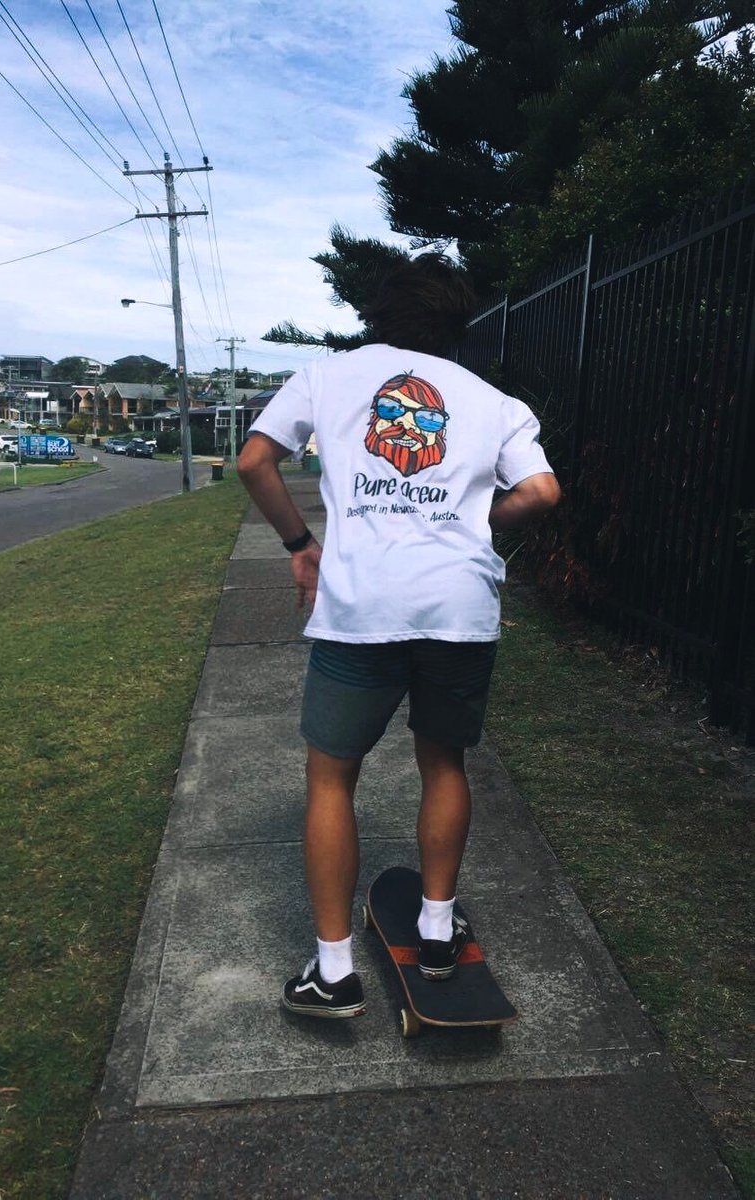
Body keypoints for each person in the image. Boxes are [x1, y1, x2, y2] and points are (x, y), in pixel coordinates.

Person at [237, 253, 561, 1019]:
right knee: (443, 762)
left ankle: (333, 974)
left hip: (362, 611)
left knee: (330, 779)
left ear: (377, 314)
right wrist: (482, 521)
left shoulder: (326, 376)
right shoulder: (494, 401)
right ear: (458, 324)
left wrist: (299, 546)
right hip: (459, 611)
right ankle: (439, 934)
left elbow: (255, 460)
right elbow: (543, 490)